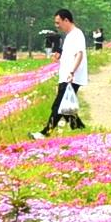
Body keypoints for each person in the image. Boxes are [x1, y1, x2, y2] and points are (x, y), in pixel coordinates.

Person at [37, 9, 89, 137]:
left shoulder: (77, 34)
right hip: (66, 76)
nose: (57, 26)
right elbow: (69, 54)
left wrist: (72, 72)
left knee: (58, 106)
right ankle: (79, 128)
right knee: (66, 107)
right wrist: (59, 55)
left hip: (71, 77)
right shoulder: (69, 36)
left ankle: (45, 133)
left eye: (58, 22)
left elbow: (79, 54)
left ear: (66, 20)